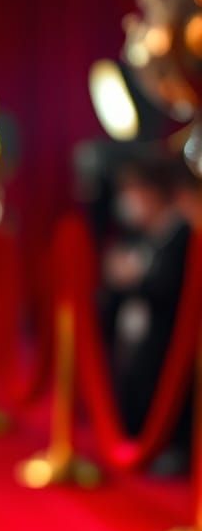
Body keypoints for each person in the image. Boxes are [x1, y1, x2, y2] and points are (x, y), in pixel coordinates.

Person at [98, 154, 195, 475]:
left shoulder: (184, 235)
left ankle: (173, 448)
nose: (129, 200)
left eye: (135, 190)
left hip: (171, 343)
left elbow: (171, 288)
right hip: (138, 339)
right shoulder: (139, 235)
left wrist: (136, 279)